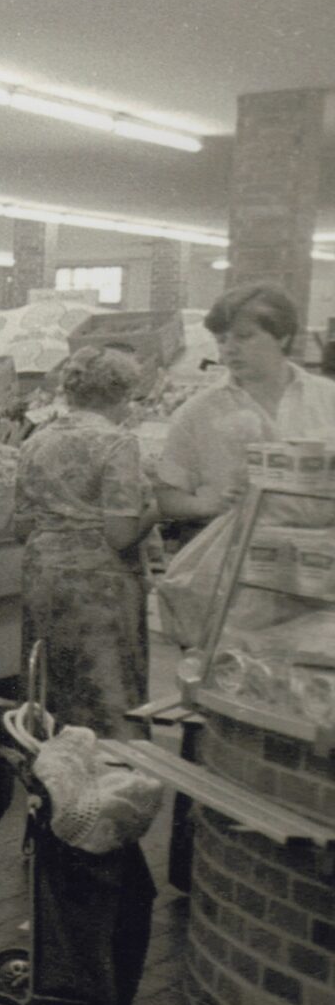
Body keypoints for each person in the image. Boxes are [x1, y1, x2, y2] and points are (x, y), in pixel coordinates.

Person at [18, 348, 159, 734]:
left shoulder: (36, 441)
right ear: (122, 394)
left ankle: (52, 776)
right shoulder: (117, 443)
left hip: (42, 578)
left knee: (50, 688)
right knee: (107, 694)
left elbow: (20, 526)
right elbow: (120, 534)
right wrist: (157, 506)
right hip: (100, 587)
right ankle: (113, 780)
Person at [154, 282, 335, 527]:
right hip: (237, 554)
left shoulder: (328, 399)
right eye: (222, 340)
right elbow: (166, 497)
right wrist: (207, 504)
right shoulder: (196, 412)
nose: (230, 349)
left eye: (244, 336)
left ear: (282, 337)